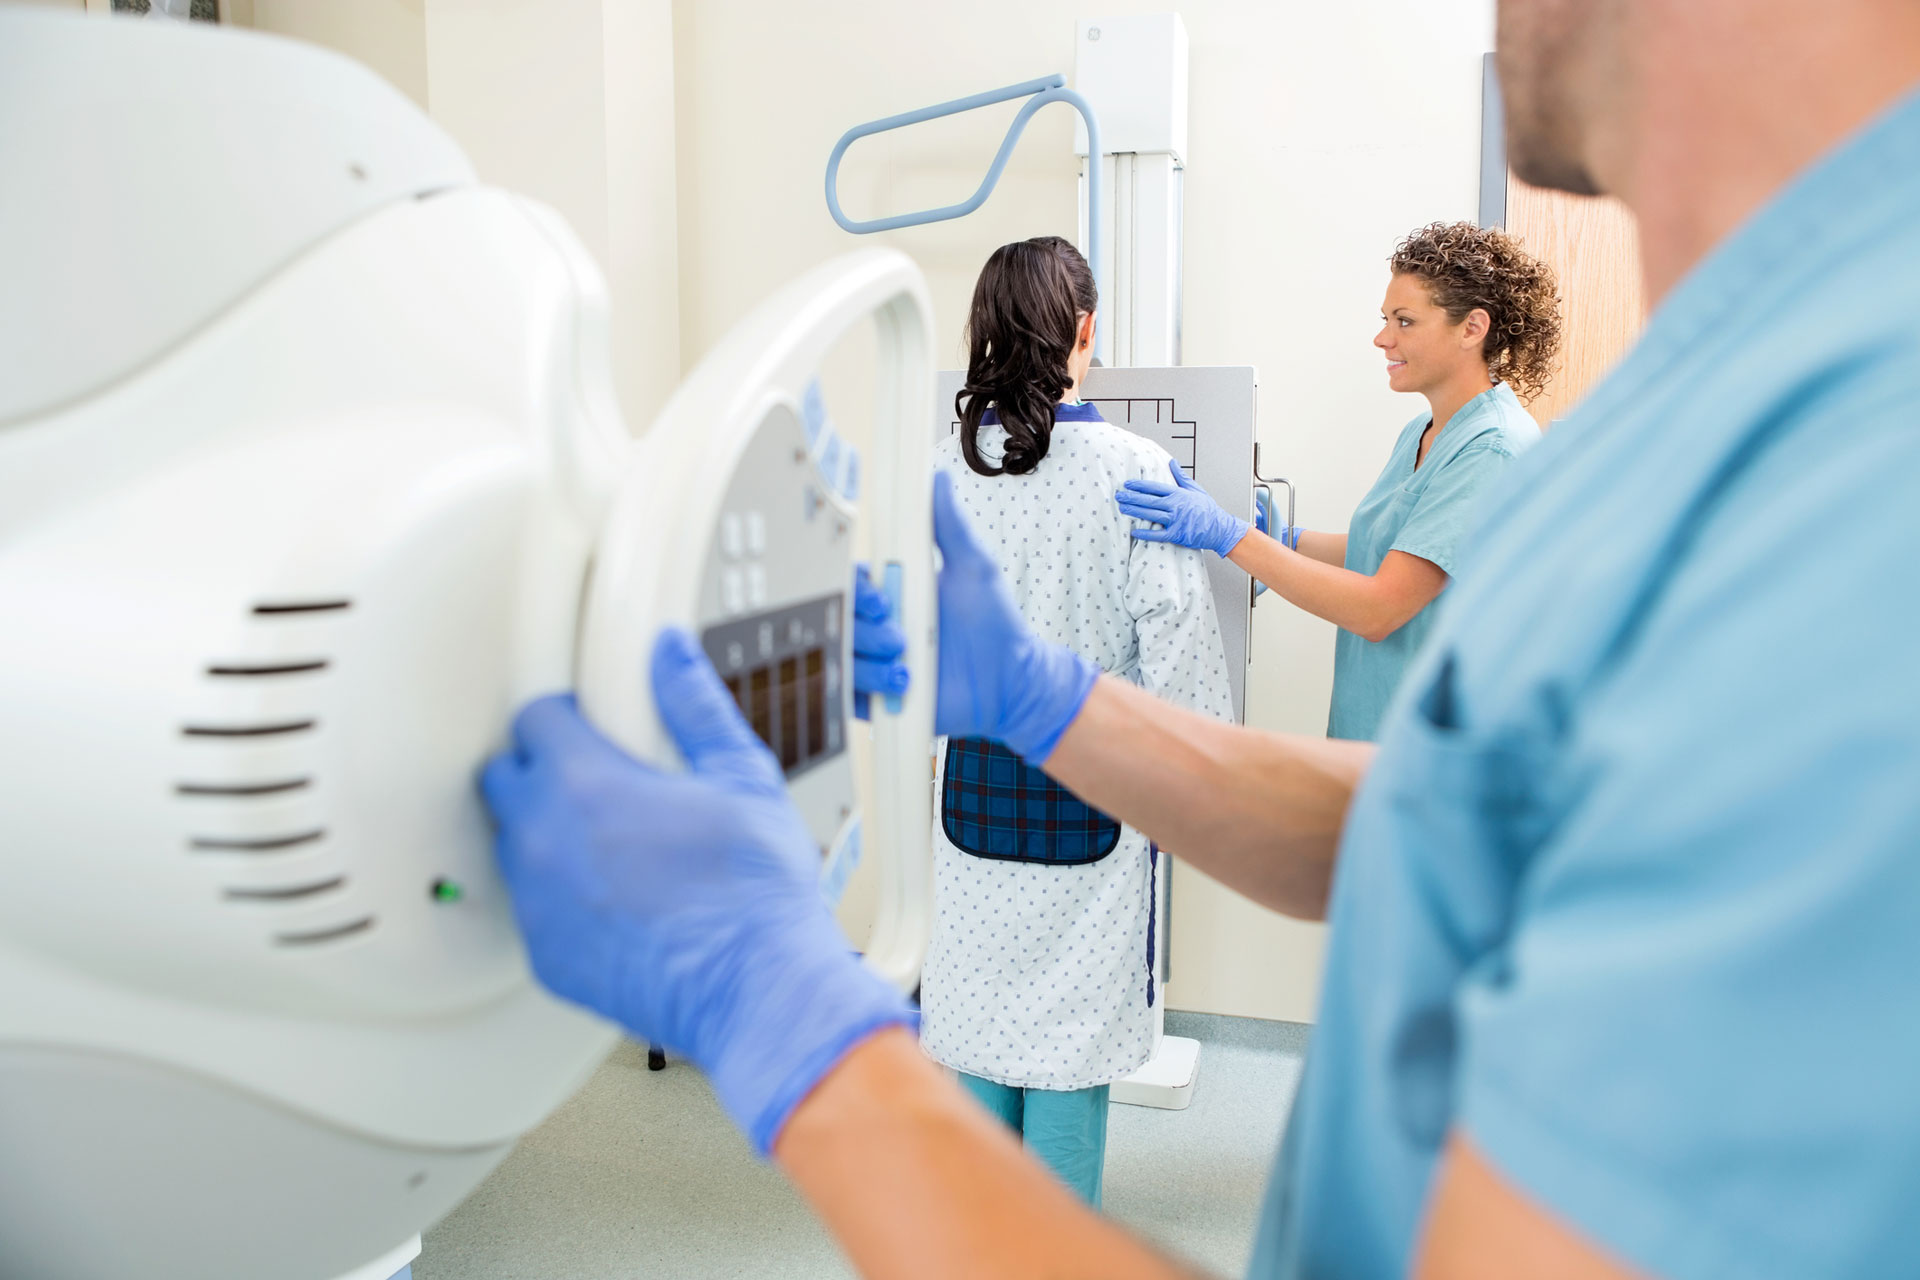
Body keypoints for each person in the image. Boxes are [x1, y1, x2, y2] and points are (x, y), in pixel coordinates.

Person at [481, 1, 1920, 1275]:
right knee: (1055, 1057)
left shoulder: (1851, 493)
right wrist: (1058, 708)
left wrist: (789, 1023)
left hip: (980, 821)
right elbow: (1467, 826)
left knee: (988, 1038)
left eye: (1402, 317)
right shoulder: (1716, 406)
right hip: (1058, 803)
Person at [925, 236, 1232, 1206]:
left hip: (972, 786)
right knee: (1067, 1045)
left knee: (977, 1022)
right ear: (1084, 330)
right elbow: (1181, 659)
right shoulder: (1134, 468)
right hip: (1094, 788)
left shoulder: (943, 467)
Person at [1115, 222, 1555, 740]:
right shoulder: (1427, 428)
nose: (1382, 338)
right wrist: (1291, 541)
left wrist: (1232, 537)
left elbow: (1379, 608)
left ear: (1472, 328)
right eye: (1385, 319)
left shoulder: (1491, 450)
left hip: (1436, 755)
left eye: (1405, 321)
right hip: (1374, 735)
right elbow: (1395, 549)